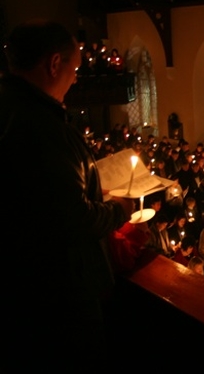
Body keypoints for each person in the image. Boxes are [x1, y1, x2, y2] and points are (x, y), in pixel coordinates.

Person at [0, 20, 134, 369]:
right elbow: (73, 218)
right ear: (54, 64)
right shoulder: (40, 127)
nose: (76, 79)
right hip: (56, 298)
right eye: (74, 69)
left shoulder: (10, 106)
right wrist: (118, 209)